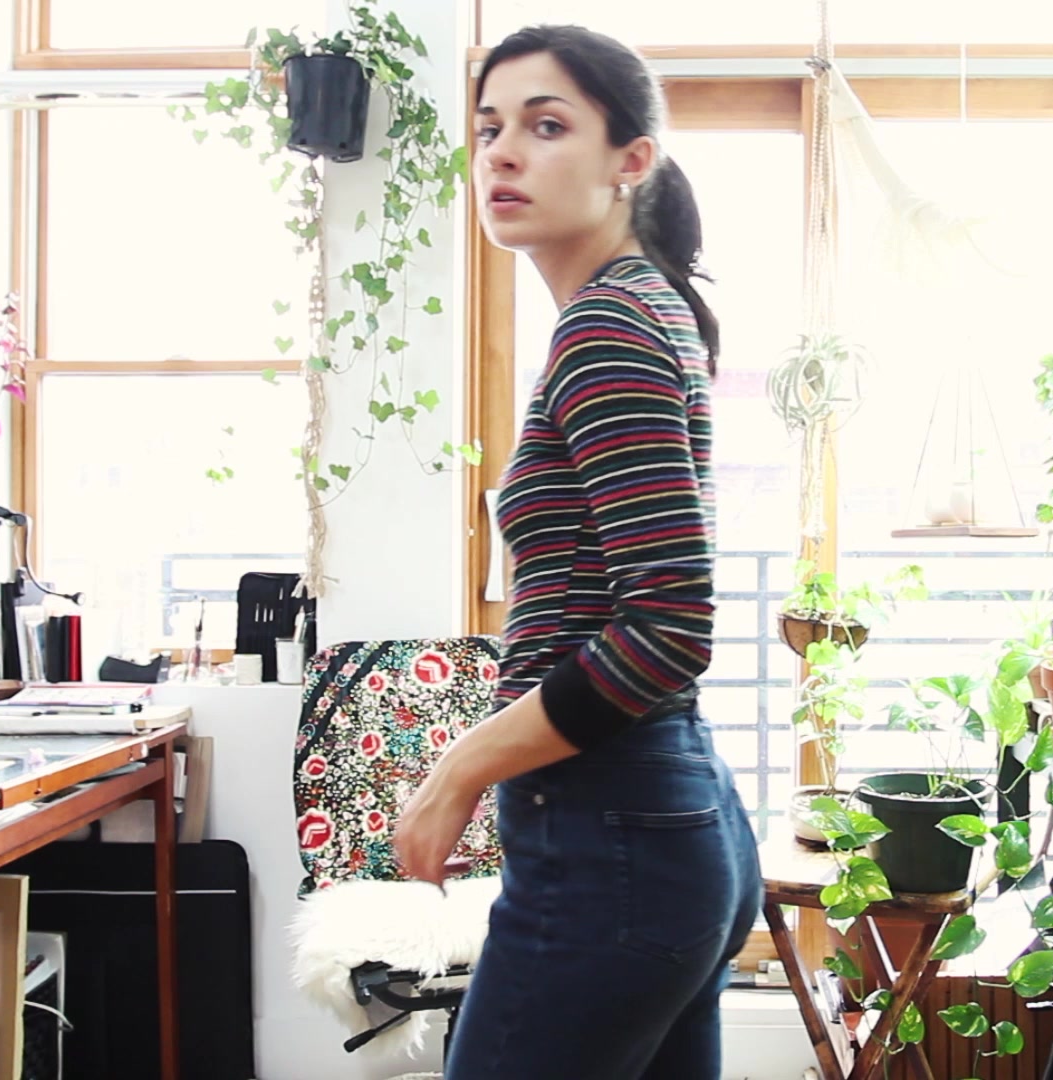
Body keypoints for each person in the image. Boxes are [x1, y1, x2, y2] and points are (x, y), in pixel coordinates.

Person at [392, 23, 763, 1080]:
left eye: (546, 126)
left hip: (614, 838)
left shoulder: (610, 327)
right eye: (488, 129)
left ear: (630, 159)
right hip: (657, 827)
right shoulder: (640, 311)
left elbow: (669, 629)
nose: (502, 153)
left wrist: (458, 770)